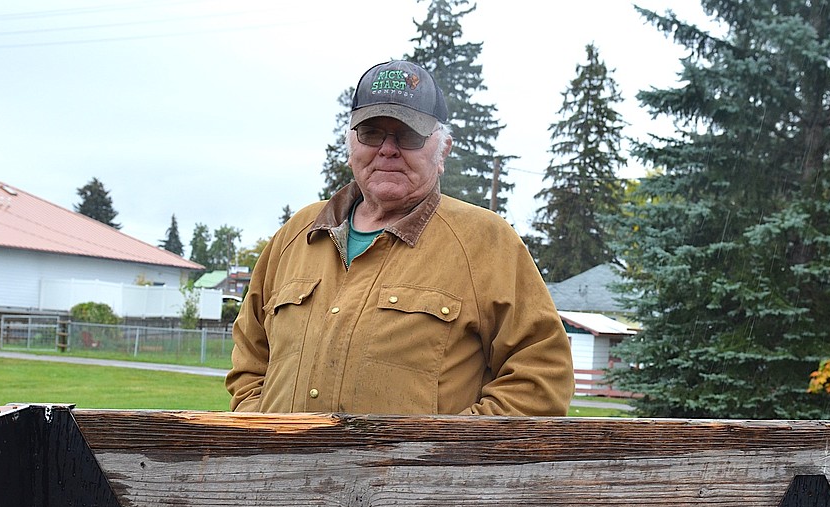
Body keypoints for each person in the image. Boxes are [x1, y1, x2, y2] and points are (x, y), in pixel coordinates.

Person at [226, 59, 574, 416]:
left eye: (408, 135)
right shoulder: (298, 232)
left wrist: (442, 454)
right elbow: (250, 361)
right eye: (372, 133)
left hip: (417, 473)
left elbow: (540, 381)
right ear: (350, 144)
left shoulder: (485, 242)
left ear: (443, 151)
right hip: (281, 472)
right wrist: (263, 431)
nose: (388, 149)